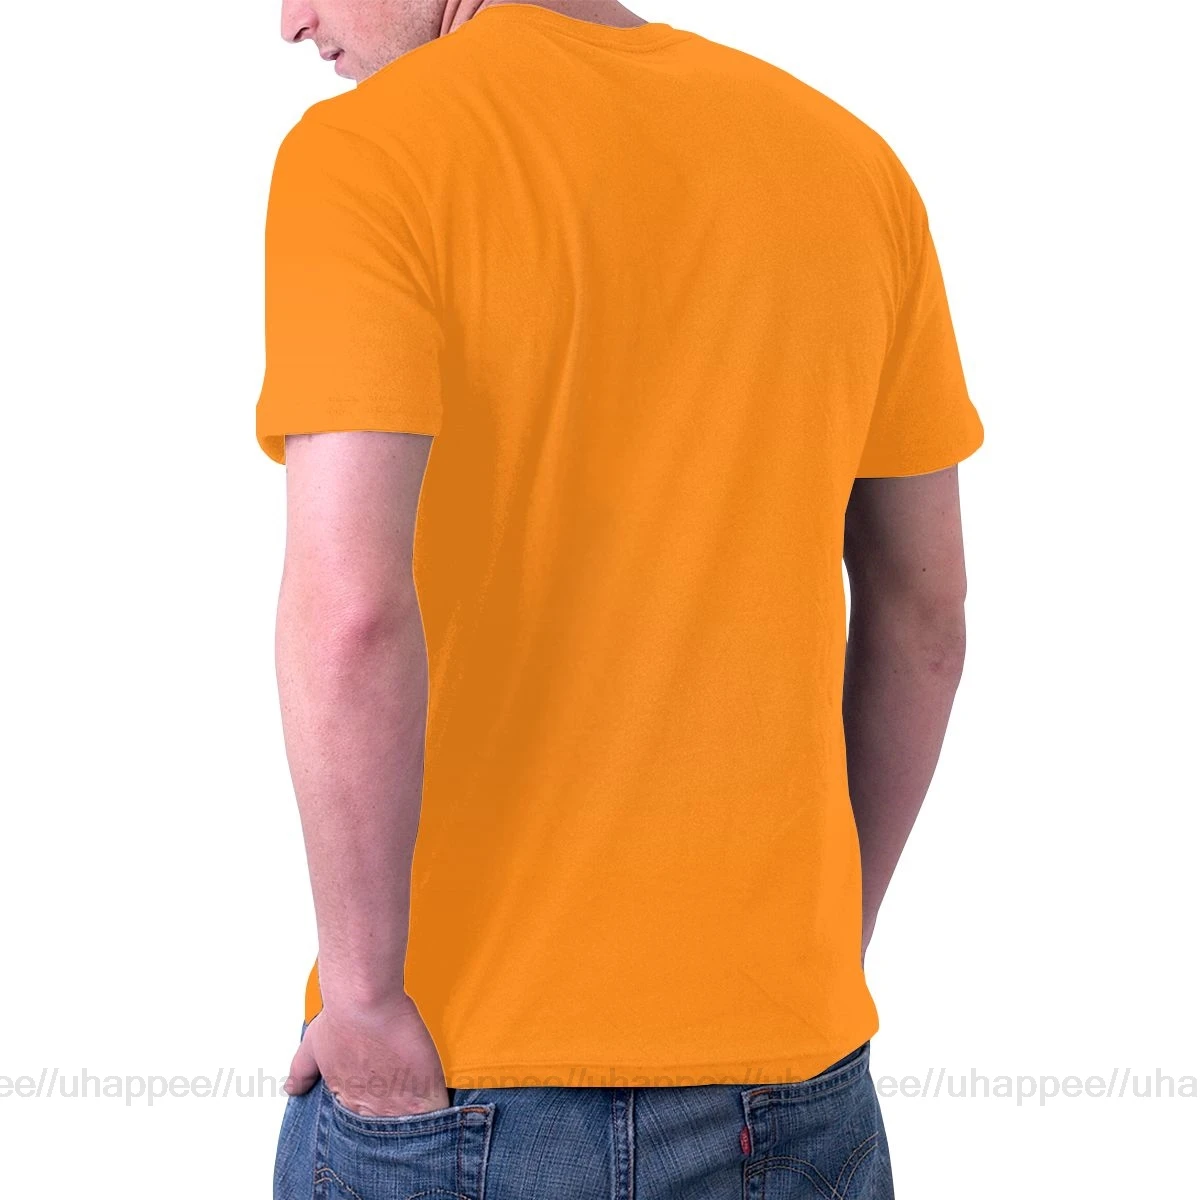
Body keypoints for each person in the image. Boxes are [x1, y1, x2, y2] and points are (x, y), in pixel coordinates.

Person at [256, 2, 985, 1197]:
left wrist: (368, 1002)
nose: (292, 21)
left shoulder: (372, 152)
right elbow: (926, 623)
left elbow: (349, 615)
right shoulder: (850, 166)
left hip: (462, 1078)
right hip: (795, 1079)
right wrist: (807, 967)